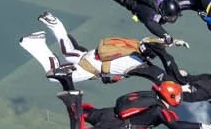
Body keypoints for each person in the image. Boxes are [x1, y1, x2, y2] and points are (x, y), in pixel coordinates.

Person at [22, 13, 180, 88]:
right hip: (88, 68)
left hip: (92, 56)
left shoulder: (133, 47)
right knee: (53, 76)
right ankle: (37, 44)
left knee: (68, 51)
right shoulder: (140, 65)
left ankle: (54, 23)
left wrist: (166, 42)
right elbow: (158, 76)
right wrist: (182, 83)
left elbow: (111, 66)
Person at [59, 83, 195, 129]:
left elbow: (166, 86)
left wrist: (181, 88)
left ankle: (66, 80)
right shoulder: (159, 110)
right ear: (170, 97)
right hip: (114, 126)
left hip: (109, 113)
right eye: (177, 96)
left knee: (83, 113)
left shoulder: (153, 95)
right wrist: (201, 126)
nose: (179, 99)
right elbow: (175, 125)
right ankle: (73, 100)